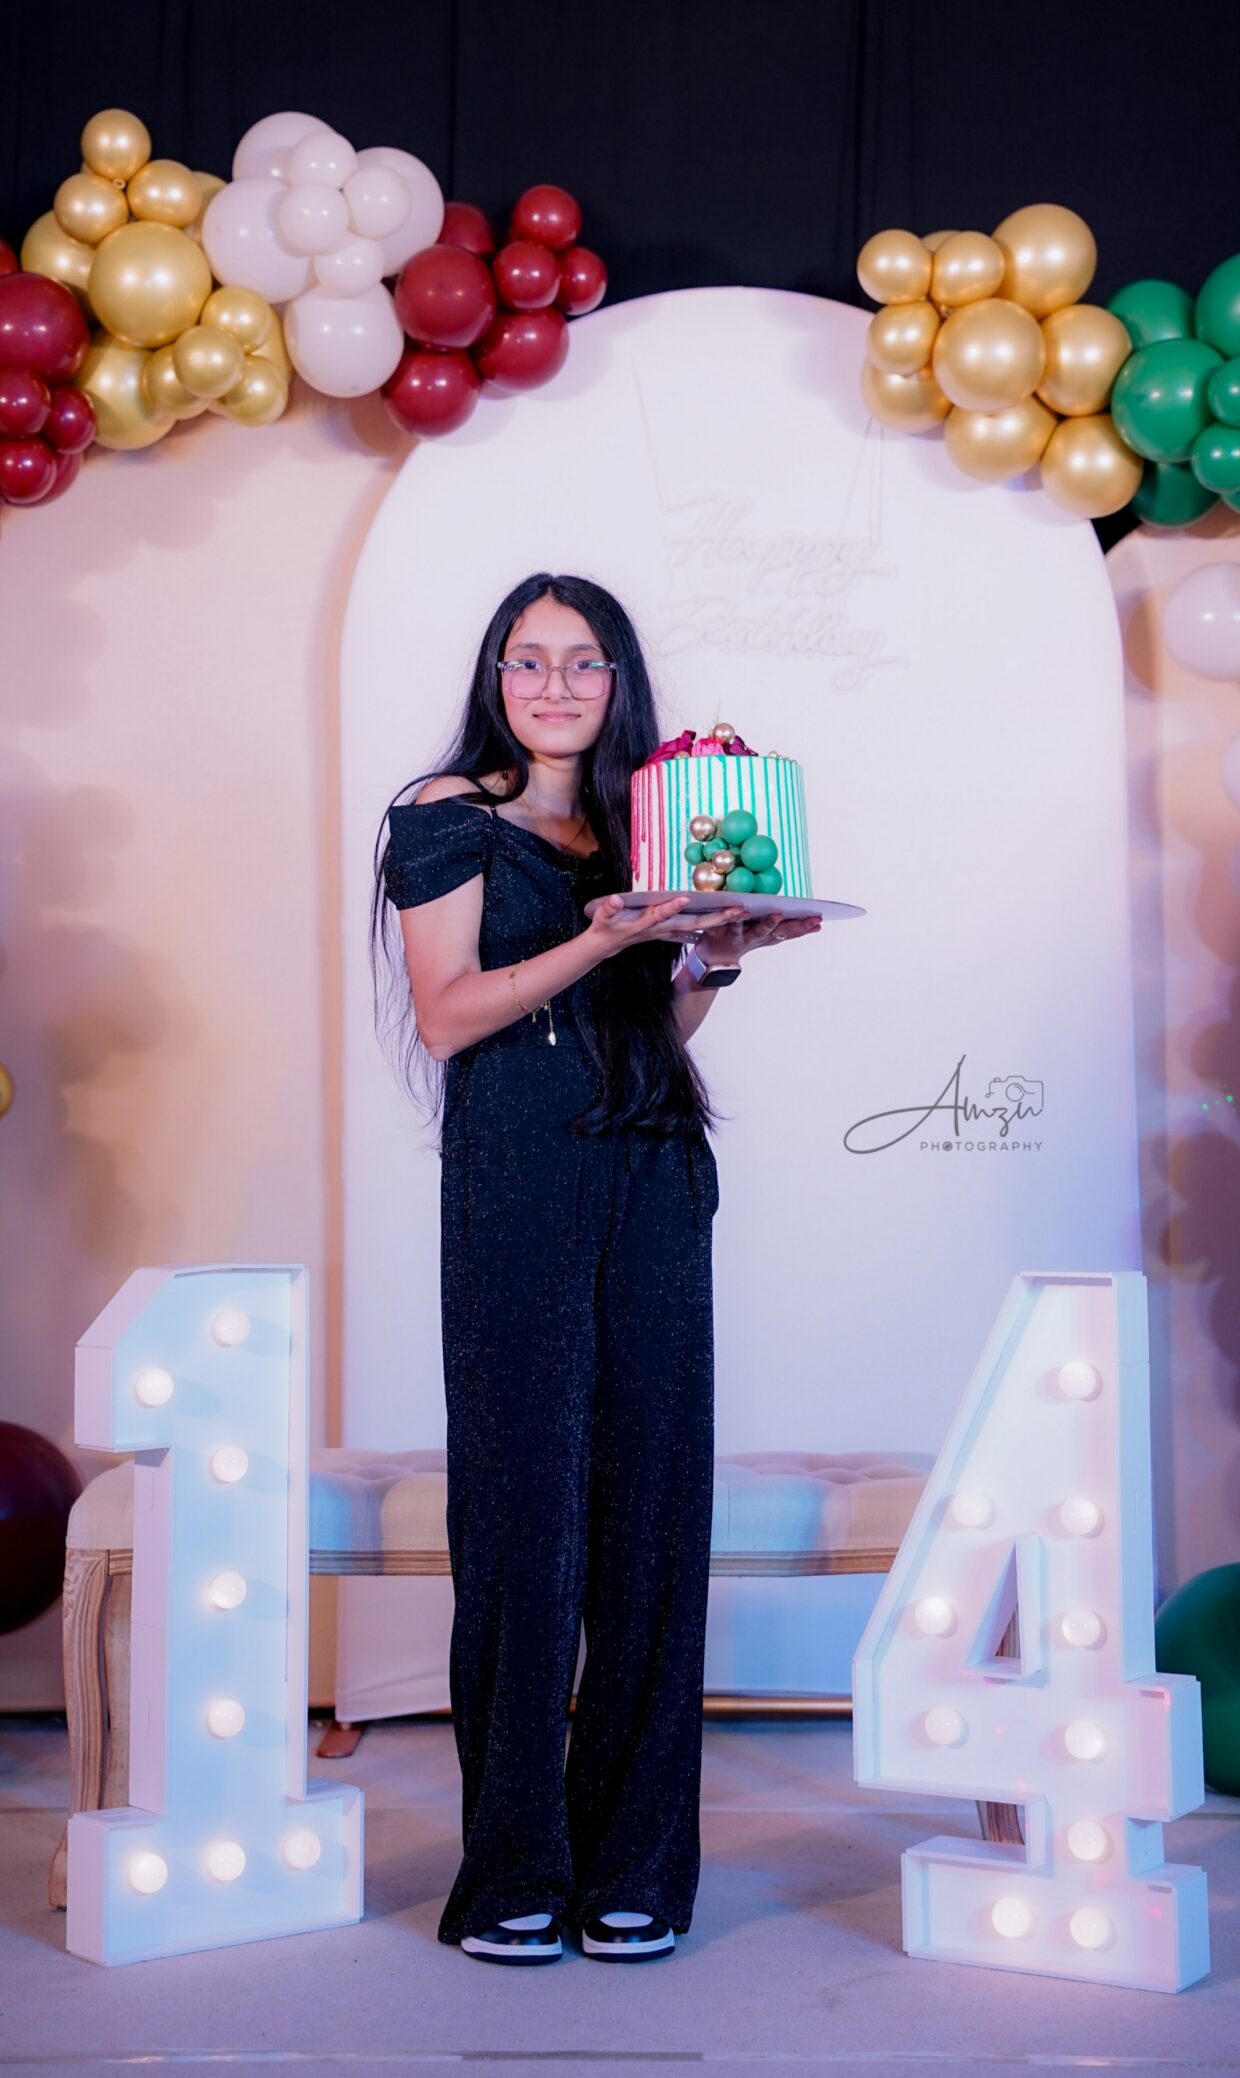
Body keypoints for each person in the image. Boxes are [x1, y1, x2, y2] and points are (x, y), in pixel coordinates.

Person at [370, 571, 821, 1965]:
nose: (555, 685)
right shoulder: (446, 817)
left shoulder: (647, 825)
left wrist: (713, 959)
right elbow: (450, 1018)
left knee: (651, 1516)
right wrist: (601, 932)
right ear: (495, 675)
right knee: (523, 1517)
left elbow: (650, 1030)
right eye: (529, 659)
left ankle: (635, 1870)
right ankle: (512, 1869)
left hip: (650, 1168)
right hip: (517, 1179)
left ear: (619, 681)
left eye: (583, 662)